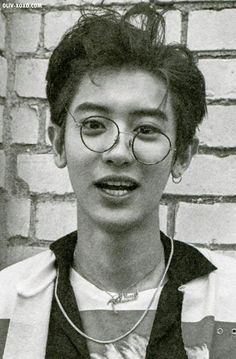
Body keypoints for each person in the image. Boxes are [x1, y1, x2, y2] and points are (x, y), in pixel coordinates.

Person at [0, 3, 235, 358]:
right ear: (58, 142)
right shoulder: (5, 303)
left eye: (146, 129)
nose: (119, 153)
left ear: (183, 155)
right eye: (94, 124)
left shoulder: (229, 302)